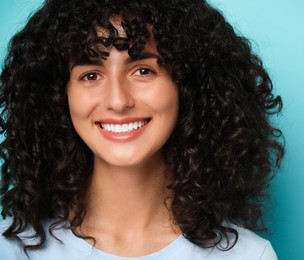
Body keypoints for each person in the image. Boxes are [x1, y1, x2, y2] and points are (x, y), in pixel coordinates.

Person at [0, 0, 284, 259]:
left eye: (143, 70)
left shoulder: (248, 256)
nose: (118, 100)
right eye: (90, 75)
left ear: (187, 87)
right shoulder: (9, 249)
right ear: (59, 96)